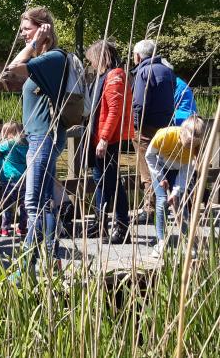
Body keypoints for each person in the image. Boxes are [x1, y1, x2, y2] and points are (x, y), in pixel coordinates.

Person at [7, 7, 67, 267]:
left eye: (27, 29)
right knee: (43, 200)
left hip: (45, 137)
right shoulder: (44, 60)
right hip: (38, 137)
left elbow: (12, 68)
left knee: (32, 202)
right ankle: (50, 256)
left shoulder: (52, 58)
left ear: (43, 29)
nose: (23, 35)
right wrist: (34, 42)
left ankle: (27, 263)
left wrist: (34, 43)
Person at [84, 40, 134, 244]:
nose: (91, 64)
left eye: (92, 60)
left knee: (112, 183)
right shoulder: (103, 77)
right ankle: (100, 224)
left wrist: (104, 139)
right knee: (101, 182)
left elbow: (115, 111)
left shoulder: (115, 76)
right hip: (98, 137)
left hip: (108, 139)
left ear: (100, 57)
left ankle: (122, 228)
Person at [145, 115, 204, 258]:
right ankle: (161, 241)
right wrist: (160, 177)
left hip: (178, 171)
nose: (190, 147)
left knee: (180, 204)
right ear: (182, 132)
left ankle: (188, 243)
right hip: (160, 167)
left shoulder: (194, 149)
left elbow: (186, 172)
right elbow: (149, 156)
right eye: (189, 142)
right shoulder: (165, 135)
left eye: (194, 144)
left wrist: (176, 191)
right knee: (162, 201)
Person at [131, 39, 176, 224]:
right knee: (163, 165)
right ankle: (165, 203)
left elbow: (139, 103)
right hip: (166, 125)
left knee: (147, 167)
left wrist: (136, 126)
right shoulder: (168, 71)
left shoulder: (143, 71)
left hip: (147, 127)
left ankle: (150, 208)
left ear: (138, 56)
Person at [0, 121, 28, 237]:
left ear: (7, 132)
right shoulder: (26, 143)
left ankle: (5, 229)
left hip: (9, 179)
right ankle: (22, 228)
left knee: (6, 204)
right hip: (23, 178)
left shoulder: (8, 144)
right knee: (24, 205)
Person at [161, 59, 198, 126]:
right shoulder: (176, 82)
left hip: (184, 121)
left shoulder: (176, 84)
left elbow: (168, 105)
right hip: (185, 118)